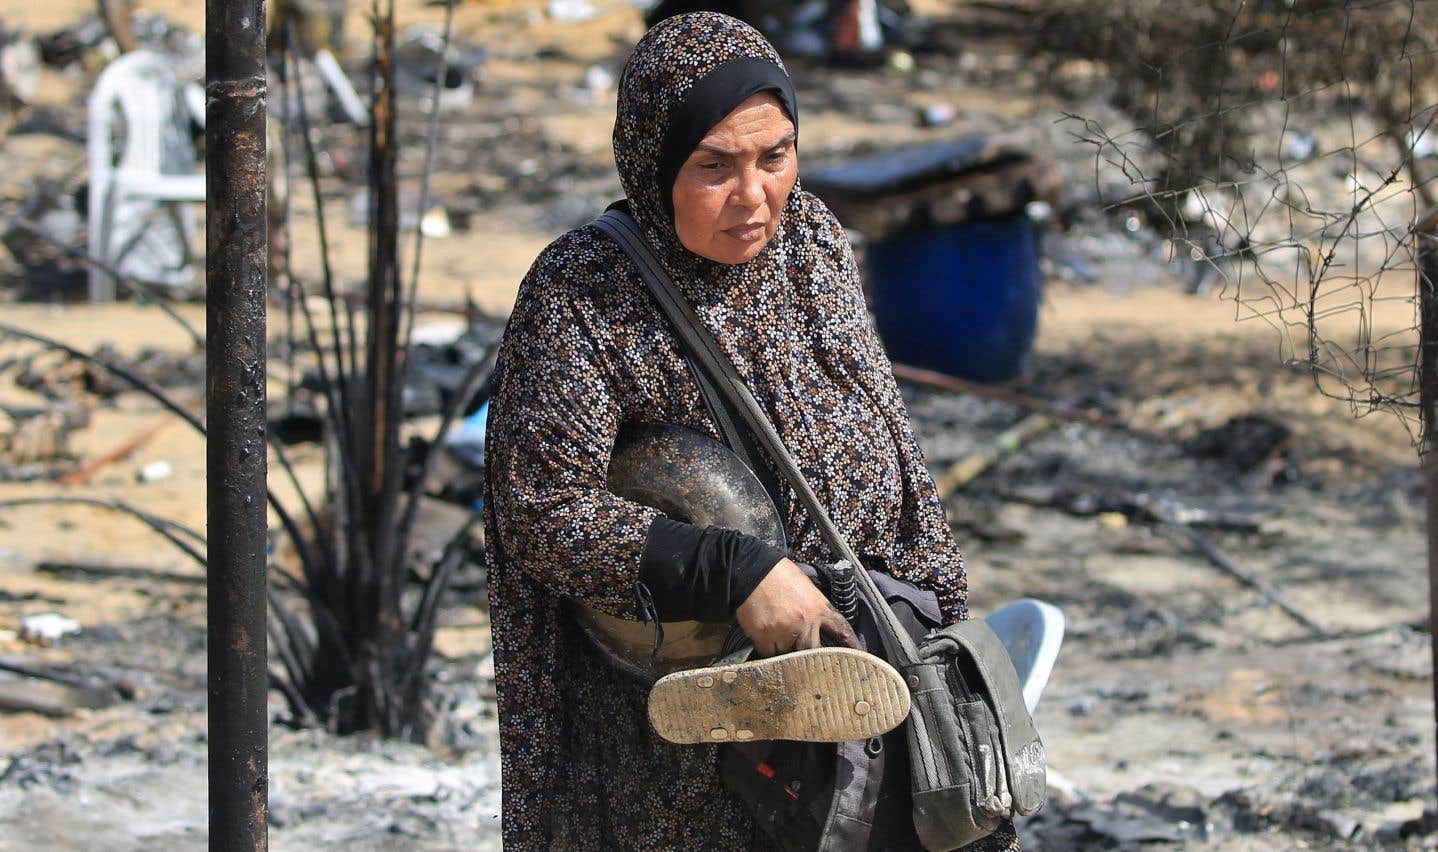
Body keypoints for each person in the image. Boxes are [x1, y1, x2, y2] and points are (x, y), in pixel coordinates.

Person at [483, 11, 1020, 849]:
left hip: (854, 692)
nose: (754, 195)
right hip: (678, 747)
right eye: (714, 167)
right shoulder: (583, 292)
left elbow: (893, 446)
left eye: (775, 157)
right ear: (652, 159)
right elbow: (541, 511)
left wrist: (937, 619)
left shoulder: (812, 244)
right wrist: (734, 570)